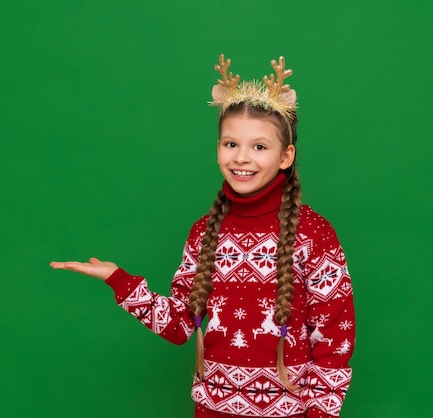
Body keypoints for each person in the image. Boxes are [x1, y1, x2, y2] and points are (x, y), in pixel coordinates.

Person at [50, 54, 355, 418]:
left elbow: (334, 339)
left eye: (259, 146)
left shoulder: (313, 233)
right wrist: (120, 281)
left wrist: (320, 413)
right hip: (212, 410)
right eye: (230, 144)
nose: (242, 158)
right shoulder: (204, 231)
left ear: (286, 156)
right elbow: (180, 324)